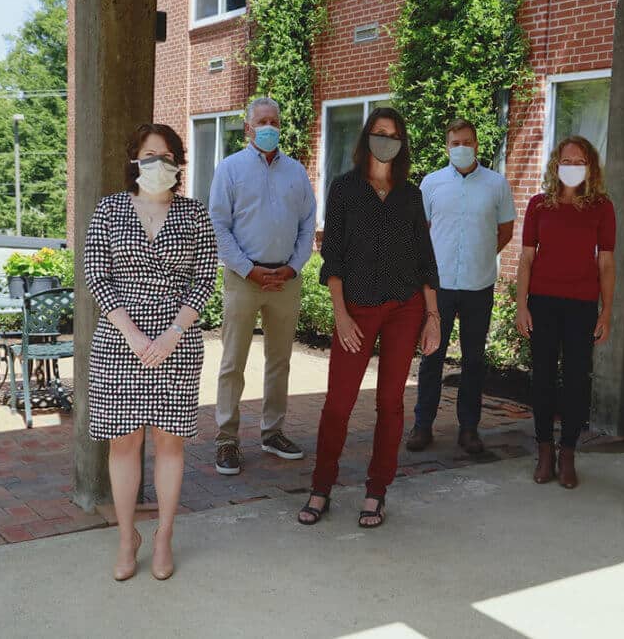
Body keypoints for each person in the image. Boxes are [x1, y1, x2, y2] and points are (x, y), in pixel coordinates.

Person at [84, 124, 217, 582]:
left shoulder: (195, 215)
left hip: (177, 342)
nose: (157, 163)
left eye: (165, 155)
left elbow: (204, 279)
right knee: (123, 442)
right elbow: (97, 276)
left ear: (179, 163)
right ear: (134, 160)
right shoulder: (109, 209)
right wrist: (136, 336)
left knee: (169, 441)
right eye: (148, 154)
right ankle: (126, 537)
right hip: (120, 341)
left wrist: (173, 333)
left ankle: (163, 535)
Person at [298, 107, 441, 528]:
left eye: (394, 134)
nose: (386, 140)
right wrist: (340, 315)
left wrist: (432, 317)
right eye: (380, 133)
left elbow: (424, 260)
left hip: (404, 308)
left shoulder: (411, 194)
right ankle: (321, 486)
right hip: (356, 311)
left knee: (390, 402)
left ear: (402, 143)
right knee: (338, 404)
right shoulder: (344, 190)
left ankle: (377, 490)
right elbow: (333, 258)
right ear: (367, 138)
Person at [208, 97, 317, 475]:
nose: (269, 126)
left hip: (285, 280)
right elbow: (218, 224)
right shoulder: (230, 169)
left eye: (274, 120)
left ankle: (273, 432)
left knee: (280, 361)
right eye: (262, 121)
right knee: (233, 361)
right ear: (249, 127)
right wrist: (246, 268)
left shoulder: (297, 173)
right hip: (243, 279)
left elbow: (307, 224)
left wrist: (293, 267)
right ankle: (227, 438)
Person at [406, 118, 516, 455]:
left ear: (478, 145)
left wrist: (480, 254)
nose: (461, 148)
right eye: (455, 142)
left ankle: (469, 428)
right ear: (447, 146)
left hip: (478, 285)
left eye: (467, 141)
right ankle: (422, 425)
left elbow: (506, 230)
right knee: (431, 357)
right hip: (438, 287)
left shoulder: (496, 185)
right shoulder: (432, 183)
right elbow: (420, 231)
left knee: (473, 360)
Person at [516, 136, 615, 489]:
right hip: (542, 302)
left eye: (580, 160)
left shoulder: (602, 207)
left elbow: (606, 263)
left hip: (582, 305)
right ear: (556, 164)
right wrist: (521, 305)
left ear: (590, 167)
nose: (572, 165)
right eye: (566, 159)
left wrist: (606, 313)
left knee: (576, 380)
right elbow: (526, 258)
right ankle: (544, 450)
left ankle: (568, 451)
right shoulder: (539, 205)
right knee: (542, 377)